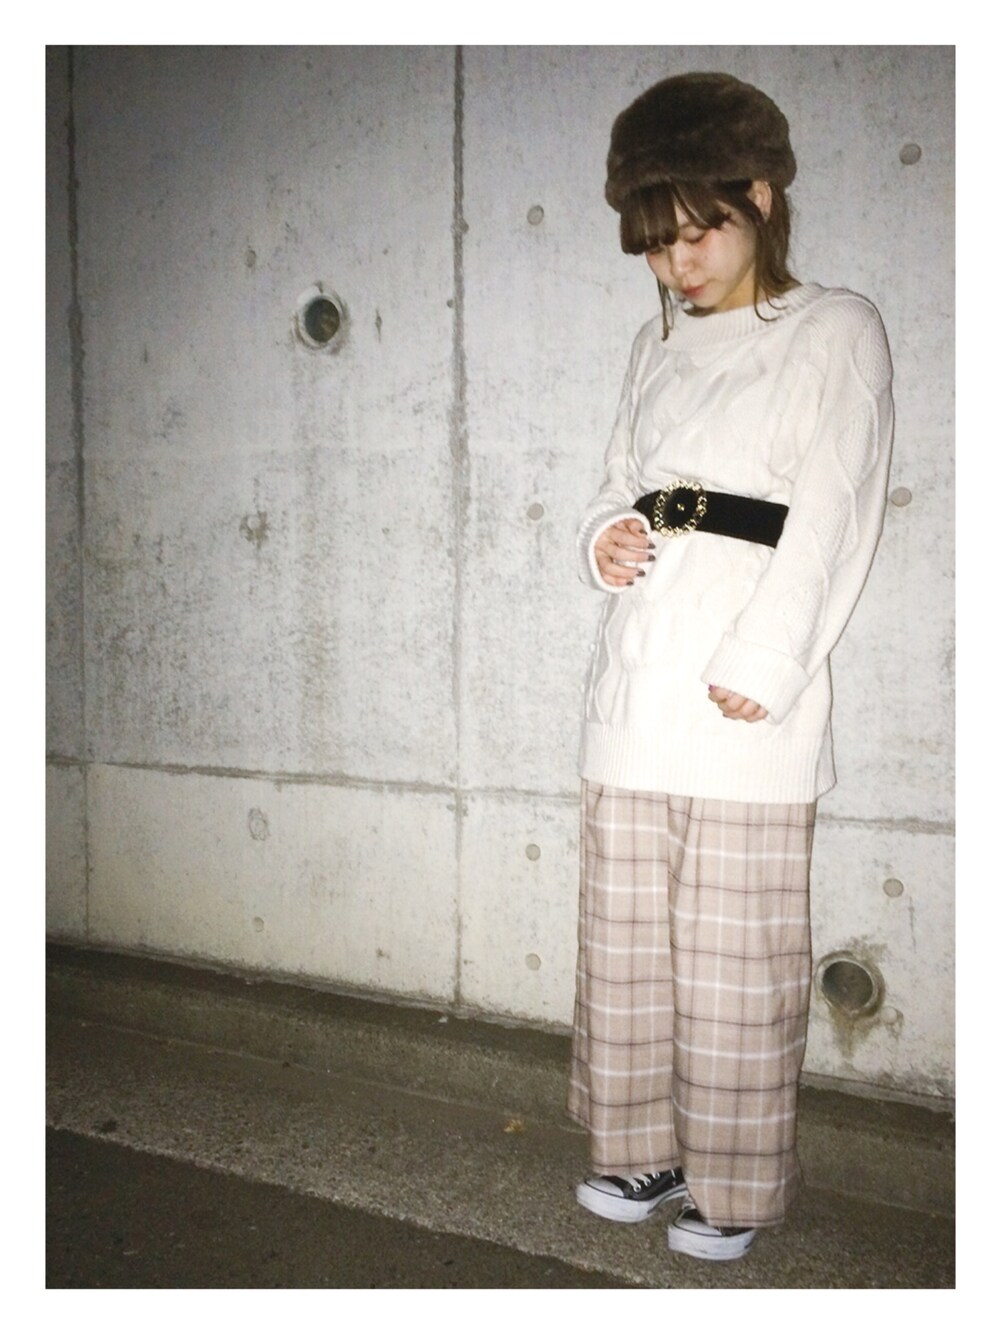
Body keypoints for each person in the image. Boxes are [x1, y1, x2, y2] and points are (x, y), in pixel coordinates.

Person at [568, 71, 894, 1262]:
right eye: (656, 242)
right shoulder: (653, 344)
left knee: (732, 960)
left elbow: (837, 507)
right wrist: (602, 537)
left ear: (758, 195)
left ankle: (734, 1181)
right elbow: (617, 478)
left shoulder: (834, 328)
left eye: (698, 228)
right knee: (627, 950)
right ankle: (641, 1147)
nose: (679, 262)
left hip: (747, 683)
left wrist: (770, 653)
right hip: (637, 674)